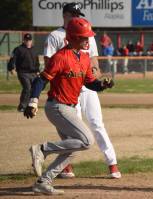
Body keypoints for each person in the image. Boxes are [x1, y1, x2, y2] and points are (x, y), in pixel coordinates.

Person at [26, 17, 114, 195]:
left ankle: (44, 181)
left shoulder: (84, 57)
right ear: (72, 37)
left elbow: (90, 83)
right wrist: (33, 101)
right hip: (57, 107)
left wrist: (103, 85)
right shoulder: (60, 57)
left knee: (73, 148)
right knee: (86, 140)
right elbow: (41, 80)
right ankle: (42, 149)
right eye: (83, 37)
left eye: (88, 36)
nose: (87, 40)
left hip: (69, 108)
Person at [43, 2, 121, 179]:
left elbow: (93, 60)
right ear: (65, 15)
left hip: (88, 86)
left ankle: (112, 164)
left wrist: (99, 77)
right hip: (67, 90)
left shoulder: (87, 32)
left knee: (97, 124)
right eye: (73, 14)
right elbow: (50, 64)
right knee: (71, 129)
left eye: (78, 14)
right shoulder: (55, 36)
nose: (76, 17)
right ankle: (66, 165)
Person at [8, 33, 40, 112]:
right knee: (27, 88)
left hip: (33, 72)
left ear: (31, 40)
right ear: (24, 40)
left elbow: (37, 61)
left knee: (33, 89)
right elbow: (13, 59)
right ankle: (22, 106)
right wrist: (11, 68)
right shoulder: (18, 49)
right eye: (26, 40)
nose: (28, 41)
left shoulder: (34, 49)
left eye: (29, 40)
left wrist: (38, 70)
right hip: (23, 72)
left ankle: (30, 106)